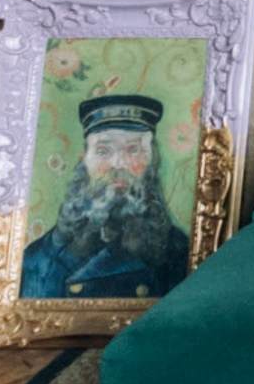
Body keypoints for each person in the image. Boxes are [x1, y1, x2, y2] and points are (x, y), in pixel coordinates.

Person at [21, 93, 192, 300]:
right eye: (103, 151)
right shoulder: (40, 257)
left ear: (152, 162)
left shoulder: (181, 255)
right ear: (84, 161)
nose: (118, 164)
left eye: (133, 150)